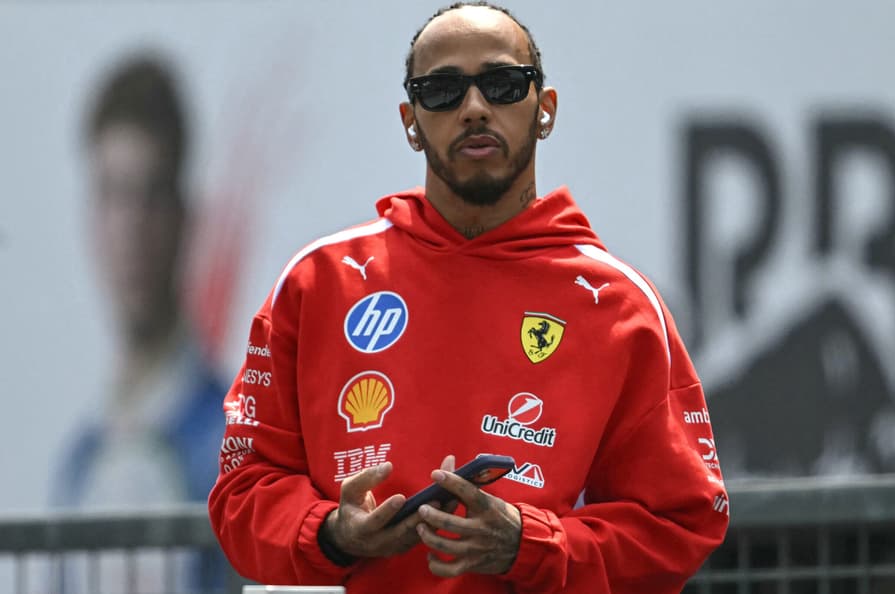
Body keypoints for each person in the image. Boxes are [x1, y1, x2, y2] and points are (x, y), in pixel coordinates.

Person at [209, 3, 728, 592]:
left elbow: (680, 523)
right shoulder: (318, 281)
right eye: (443, 91)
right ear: (410, 121)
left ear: (545, 111)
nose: (475, 108)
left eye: (504, 85)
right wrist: (329, 532)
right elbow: (242, 491)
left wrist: (530, 545)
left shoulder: (620, 307)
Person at [53, 54, 226, 592]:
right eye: (113, 195)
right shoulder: (81, 461)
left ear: (185, 215)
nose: (131, 227)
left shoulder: (235, 444)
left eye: (150, 195)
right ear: (90, 217)